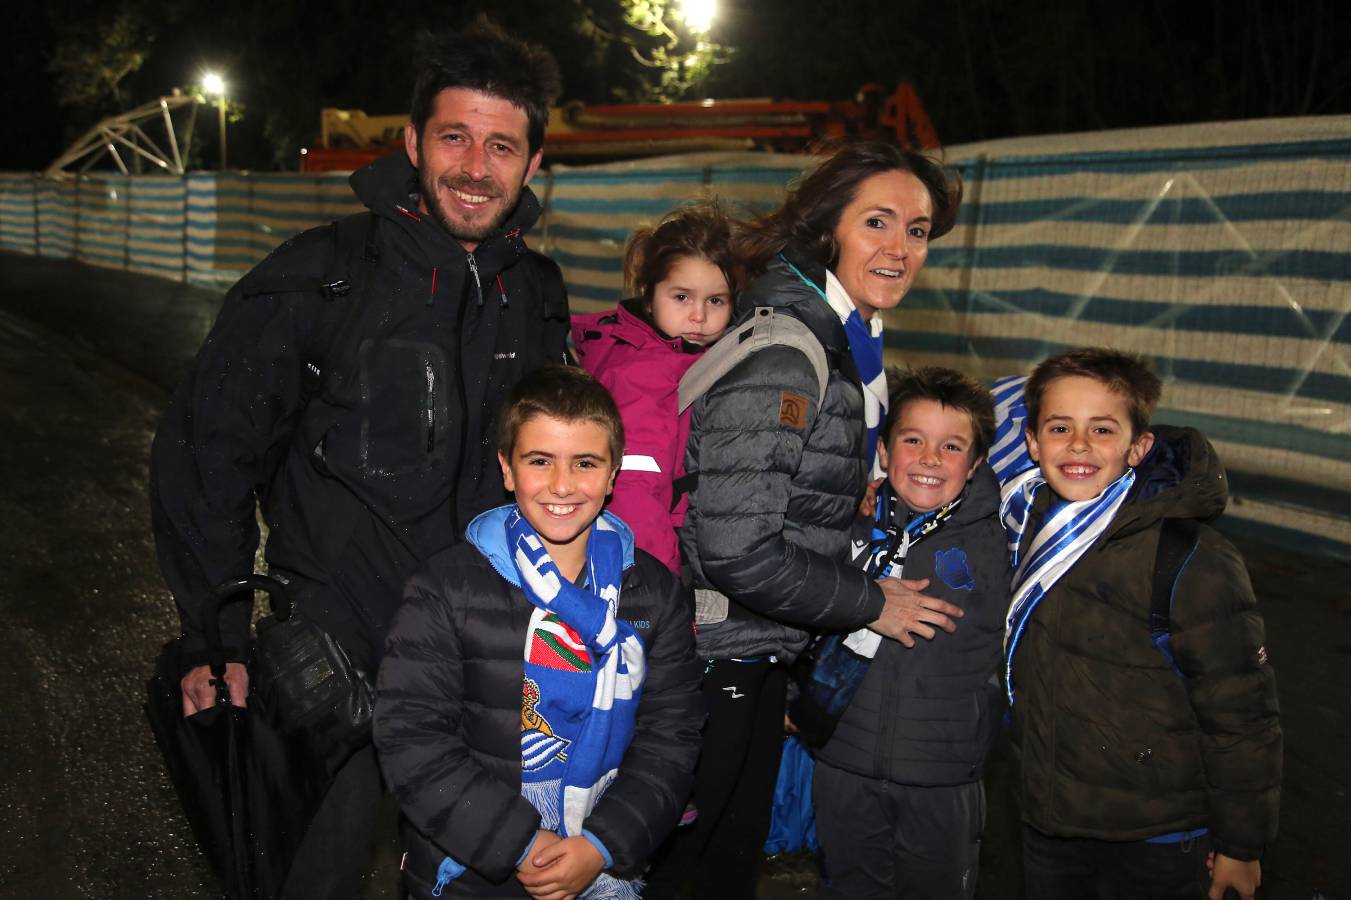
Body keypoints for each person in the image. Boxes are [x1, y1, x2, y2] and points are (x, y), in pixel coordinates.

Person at [149, 20, 568, 899]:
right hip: (335, 663)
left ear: (532, 163)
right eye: (453, 138)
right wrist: (215, 640)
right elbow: (207, 456)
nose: (475, 167)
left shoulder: (535, 295)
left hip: (484, 664)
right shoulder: (320, 275)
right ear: (412, 143)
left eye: (500, 146)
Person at [644, 141, 965, 899]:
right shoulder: (791, 352)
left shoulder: (844, 342)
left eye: (917, 230)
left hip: (753, 647)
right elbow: (736, 547)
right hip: (719, 652)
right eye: (877, 222)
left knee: (722, 865)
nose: (899, 248)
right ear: (829, 228)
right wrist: (871, 603)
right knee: (693, 872)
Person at [374, 366, 705, 898]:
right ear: (507, 469)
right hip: (473, 871)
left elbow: (672, 736)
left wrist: (601, 845)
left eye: (585, 463)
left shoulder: (653, 593)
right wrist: (521, 844)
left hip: (600, 859)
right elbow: (410, 737)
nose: (562, 485)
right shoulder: (447, 588)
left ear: (613, 473)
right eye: (540, 461)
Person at [1005, 347, 1281, 900]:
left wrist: (1241, 844)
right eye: (1060, 427)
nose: (1078, 444)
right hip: (1050, 822)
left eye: (1102, 429)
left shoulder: (1190, 556)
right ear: (1033, 443)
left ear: (1138, 447)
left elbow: (1241, 715)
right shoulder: (1019, 527)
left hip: (1158, 839)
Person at [797, 366, 1008, 899]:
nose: (930, 458)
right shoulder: (847, 525)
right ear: (884, 451)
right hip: (844, 762)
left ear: (976, 464)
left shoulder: (1000, 541)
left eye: (952, 447)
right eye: (913, 440)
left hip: (942, 774)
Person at [571, 201, 739, 573]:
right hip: (649, 556)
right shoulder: (643, 373)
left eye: (715, 300)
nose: (699, 315)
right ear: (648, 296)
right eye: (681, 297)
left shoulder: (686, 356)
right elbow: (635, 491)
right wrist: (656, 579)